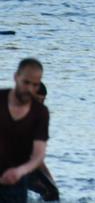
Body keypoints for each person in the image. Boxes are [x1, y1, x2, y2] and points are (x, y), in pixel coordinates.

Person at [0, 59, 48, 202]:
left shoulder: (40, 113)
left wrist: (19, 171)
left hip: (17, 181)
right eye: (26, 83)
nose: (29, 89)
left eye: (34, 85)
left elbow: (38, 154)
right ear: (16, 77)